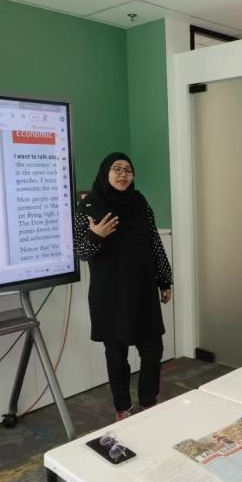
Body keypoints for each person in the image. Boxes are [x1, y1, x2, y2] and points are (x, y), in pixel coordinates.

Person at [74, 153, 172, 421]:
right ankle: (123, 409)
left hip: (142, 290)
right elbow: (80, 252)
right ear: (105, 172)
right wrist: (96, 235)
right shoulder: (89, 206)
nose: (123, 174)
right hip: (110, 295)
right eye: (116, 169)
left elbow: (154, 242)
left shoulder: (139, 202)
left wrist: (165, 279)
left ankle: (148, 403)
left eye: (128, 170)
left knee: (153, 351)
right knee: (117, 356)